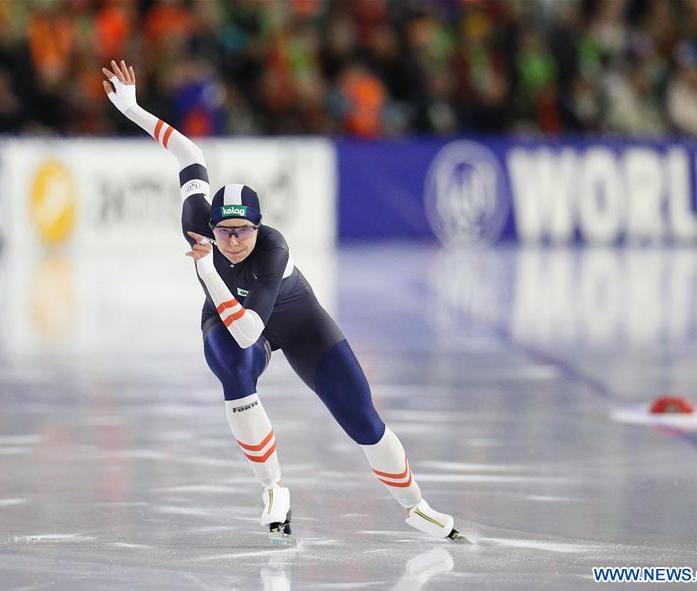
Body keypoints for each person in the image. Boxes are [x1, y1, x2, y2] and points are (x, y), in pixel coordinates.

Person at [102, 59, 465, 543]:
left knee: (362, 417)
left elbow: (255, 328)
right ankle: (273, 489)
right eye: (224, 231)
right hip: (227, 316)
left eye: (243, 231)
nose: (233, 240)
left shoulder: (273, 250)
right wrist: (133, 108)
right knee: (233, 370)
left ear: (259, 226)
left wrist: (208, 266)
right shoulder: (196, 218)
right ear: (210, 224)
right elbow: (187, 152)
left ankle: (416, 506)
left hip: (294, 320)